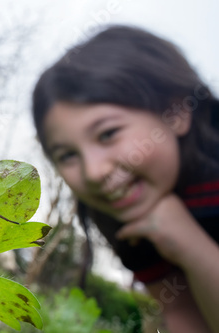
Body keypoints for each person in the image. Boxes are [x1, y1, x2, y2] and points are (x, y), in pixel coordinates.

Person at [32, 25, 219, 332]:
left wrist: (188, 242)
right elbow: (185, 315)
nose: (94, 172)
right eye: (67, 155)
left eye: (108, 134)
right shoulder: (128, 221)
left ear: (177, 112)